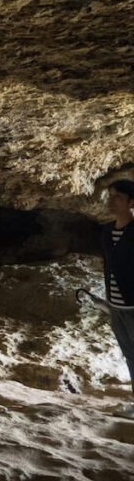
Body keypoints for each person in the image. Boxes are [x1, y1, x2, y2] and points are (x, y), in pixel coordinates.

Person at [102, 180, 134, 419]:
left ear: (132, 203)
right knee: (130, 356)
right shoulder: (106, 231)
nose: (110, 200)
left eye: (118, 197)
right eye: (110, 196)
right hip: (116, 307)